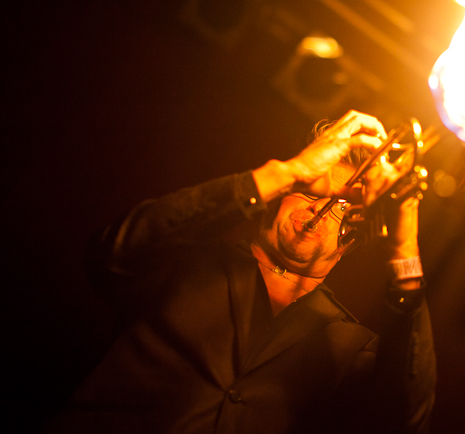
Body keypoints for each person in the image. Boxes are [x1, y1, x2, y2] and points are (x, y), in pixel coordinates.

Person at [48, 110, 436, 433]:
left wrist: (404, 249)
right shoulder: (185, 257)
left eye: (342, 208)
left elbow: (404, 419)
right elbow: (111, 253)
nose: (320, 209)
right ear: (282, 196)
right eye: (313, 192)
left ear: (351, 239)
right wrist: (287, 172)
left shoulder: (351, 345)